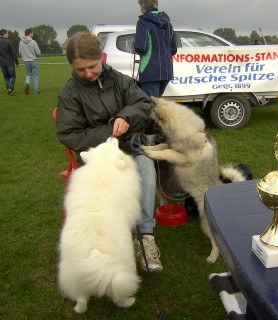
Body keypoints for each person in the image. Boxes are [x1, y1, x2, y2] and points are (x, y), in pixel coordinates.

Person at [56, 32, 163, 272]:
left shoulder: (120, 80)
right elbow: (70, 134)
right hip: (95, 156)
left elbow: (145, 105)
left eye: (92, 66)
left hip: (128, 149)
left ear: (101, 58)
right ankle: (114, 238)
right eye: (80, 70)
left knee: (144, 163)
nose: (88, 74)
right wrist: (110, 132)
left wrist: (126, 116)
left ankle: (145, 237)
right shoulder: (69, 93)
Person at [135, 0, 177, 98]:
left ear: (143, 7)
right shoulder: (168, 24)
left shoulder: (143, 22)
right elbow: (174, 49)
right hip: (167, 71)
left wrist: (135, 45)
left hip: (149, 71)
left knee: (152, 106)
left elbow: (141, 47)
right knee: (157, 104)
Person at [19, 28, 41, 94]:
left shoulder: (21, 42)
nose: (33, 34)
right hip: (33, 60)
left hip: (26, 61)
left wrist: (25, 56)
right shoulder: (33, 42)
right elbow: (38, 52)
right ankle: (35, 90)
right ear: (30, 33)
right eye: (32, 33)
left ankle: (27, 83)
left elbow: (20, 52)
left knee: (28, 74)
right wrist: (37, 55)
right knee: (35, 76)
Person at [0, 29, 19, 95]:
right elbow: (13, 53)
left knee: (6, 77)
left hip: (2, 63)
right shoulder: (8, 42)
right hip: (9, 62)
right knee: (12, 76)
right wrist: (16, 62)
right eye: (7, 33)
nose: (8, 34)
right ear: (4, 34)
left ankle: (9, 90)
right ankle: (10, 88)